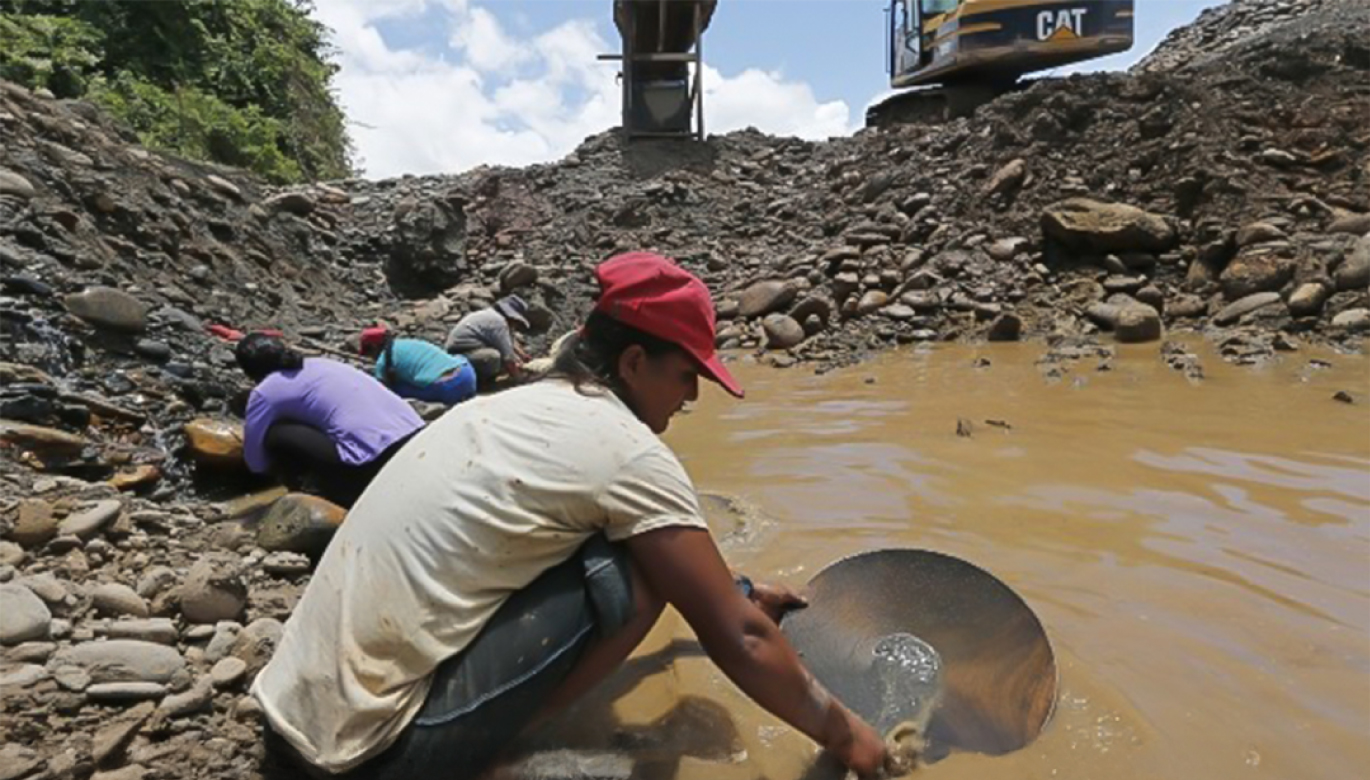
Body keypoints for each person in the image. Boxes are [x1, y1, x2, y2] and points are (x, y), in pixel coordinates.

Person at [253, 252, 889, 779]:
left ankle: (480, 729)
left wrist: (739, 590)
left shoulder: (507, 408)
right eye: (687, 374)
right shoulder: (628, 450)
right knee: (639, 568)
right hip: (368, 757)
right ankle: (493, 756)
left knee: (613, 545)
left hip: (290, 720)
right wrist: (852, 737)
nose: (694, 395)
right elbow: (742, 639)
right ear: (634, 363)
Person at [235, 333, 424, 509]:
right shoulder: (321, 364)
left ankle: (318, 495)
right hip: (418, 441)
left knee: (275, 434)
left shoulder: (266, 392)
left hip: (374, 462)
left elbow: (256, 462)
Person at [359, 326, 478, 406]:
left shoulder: (382, 362)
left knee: (396, 389)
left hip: (448, 389)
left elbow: (382, 394)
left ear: (373, 347)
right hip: (467, 375)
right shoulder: (408, 342)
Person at [444, 295, 531, 388]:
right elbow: (508, 358)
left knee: (503, 361)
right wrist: (519, 379)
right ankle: (481, 384)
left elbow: (510, 342)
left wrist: (523, 356)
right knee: (493, 357)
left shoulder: (492, 316)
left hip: (465, 353)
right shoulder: (499, 322)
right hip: (460, 356)